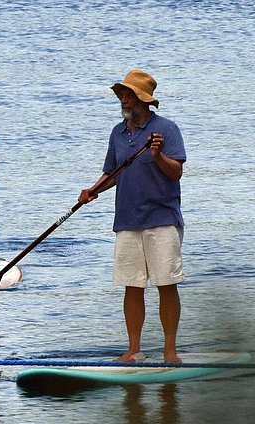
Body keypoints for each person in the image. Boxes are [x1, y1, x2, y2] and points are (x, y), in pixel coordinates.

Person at [79, 69, 186, 363]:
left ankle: (170, 351)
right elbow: (113, 172)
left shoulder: (166, 129)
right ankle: (133, 349)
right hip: (126, 219)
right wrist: (93, 190)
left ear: (143, 100)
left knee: (166, 283)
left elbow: (176, 172)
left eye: (128, 95)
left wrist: (157, 156)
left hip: (162, 218)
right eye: (122, 94)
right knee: (132, 285)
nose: (123, 99)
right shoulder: (118, 131)